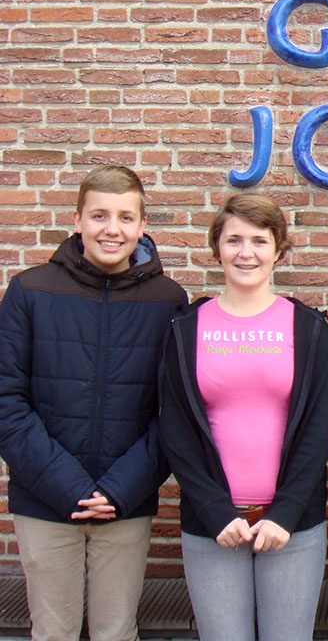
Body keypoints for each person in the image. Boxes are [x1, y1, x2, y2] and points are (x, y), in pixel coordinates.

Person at [0, 165, 187, 641]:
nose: (112, 229)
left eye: (126, 217)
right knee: (54, 632)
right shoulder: (30, 291)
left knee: (116, 632)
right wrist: (69, 487)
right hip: (45, 500)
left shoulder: (168, 300)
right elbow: (7, 401)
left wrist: (120, 490)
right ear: (77, 220)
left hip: (125, 501)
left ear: (142, 225)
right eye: (99, 215)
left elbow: (174, 412)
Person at [157, 194, 328, 641]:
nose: (246, 252)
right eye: (234, 240)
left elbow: (318, 428)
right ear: (216, 247)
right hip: (213, 525)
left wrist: (286, 512)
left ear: (278, 250)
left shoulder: (309, 329)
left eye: (259, 241)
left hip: (291, 526)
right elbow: (175, 429)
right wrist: (214, 511)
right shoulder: (185, 330)